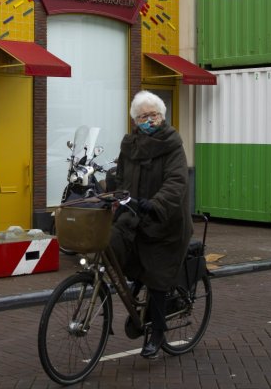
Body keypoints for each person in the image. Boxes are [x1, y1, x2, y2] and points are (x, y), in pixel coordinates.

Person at [110, 90, 193, 359]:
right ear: (135, 120)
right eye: (143, 116)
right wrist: (112, 193)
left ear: (162, 116)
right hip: (135, 216)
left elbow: (176, 181)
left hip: (165, 221)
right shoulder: (130, 145)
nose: (149, 120)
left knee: (157, 274)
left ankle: (157, 331)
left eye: (154, 115)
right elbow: (121, 176)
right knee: (113, 245)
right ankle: (134, 300)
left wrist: (156, 204)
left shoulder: (172, 144)